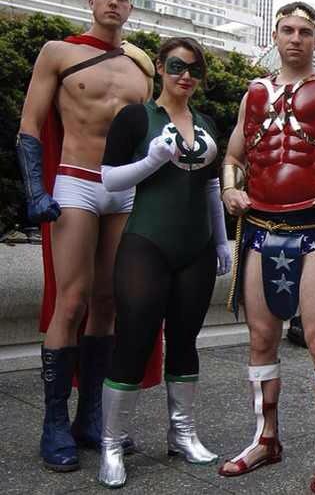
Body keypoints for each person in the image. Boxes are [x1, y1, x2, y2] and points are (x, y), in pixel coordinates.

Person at [15, 0, 159, 472]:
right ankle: (54, 423)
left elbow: (150, 141)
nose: (114, 3)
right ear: (91, 1)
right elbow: (30, 124)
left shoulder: (141, 71)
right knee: (71, 301)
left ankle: (90, 417)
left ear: (131, 6)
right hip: (75, 181)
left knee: (108, 303)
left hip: (122, 188)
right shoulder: (59, 53)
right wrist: (34, 190)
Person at [218, 1, 315, 493]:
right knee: (261, 339)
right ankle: (265, 439)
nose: (295, 38)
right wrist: (229, 189)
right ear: (275, 36)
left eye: (304, 31)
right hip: (260, 227)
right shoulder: (253, 94)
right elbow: (233, 156)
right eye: (287, 30)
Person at [96, 36, 229, 488]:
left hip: (197, 247)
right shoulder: (136, 118)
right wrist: (151, 161)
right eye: (176, 66)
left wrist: (222, 241)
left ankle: (182, 433)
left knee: (186, 339)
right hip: (146, 243)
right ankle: (112, 444)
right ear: (159, 67)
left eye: (194, 69)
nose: (185, 76)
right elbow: (110, 180)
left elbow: (211, 187)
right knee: (133, 340)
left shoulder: (206, 122)